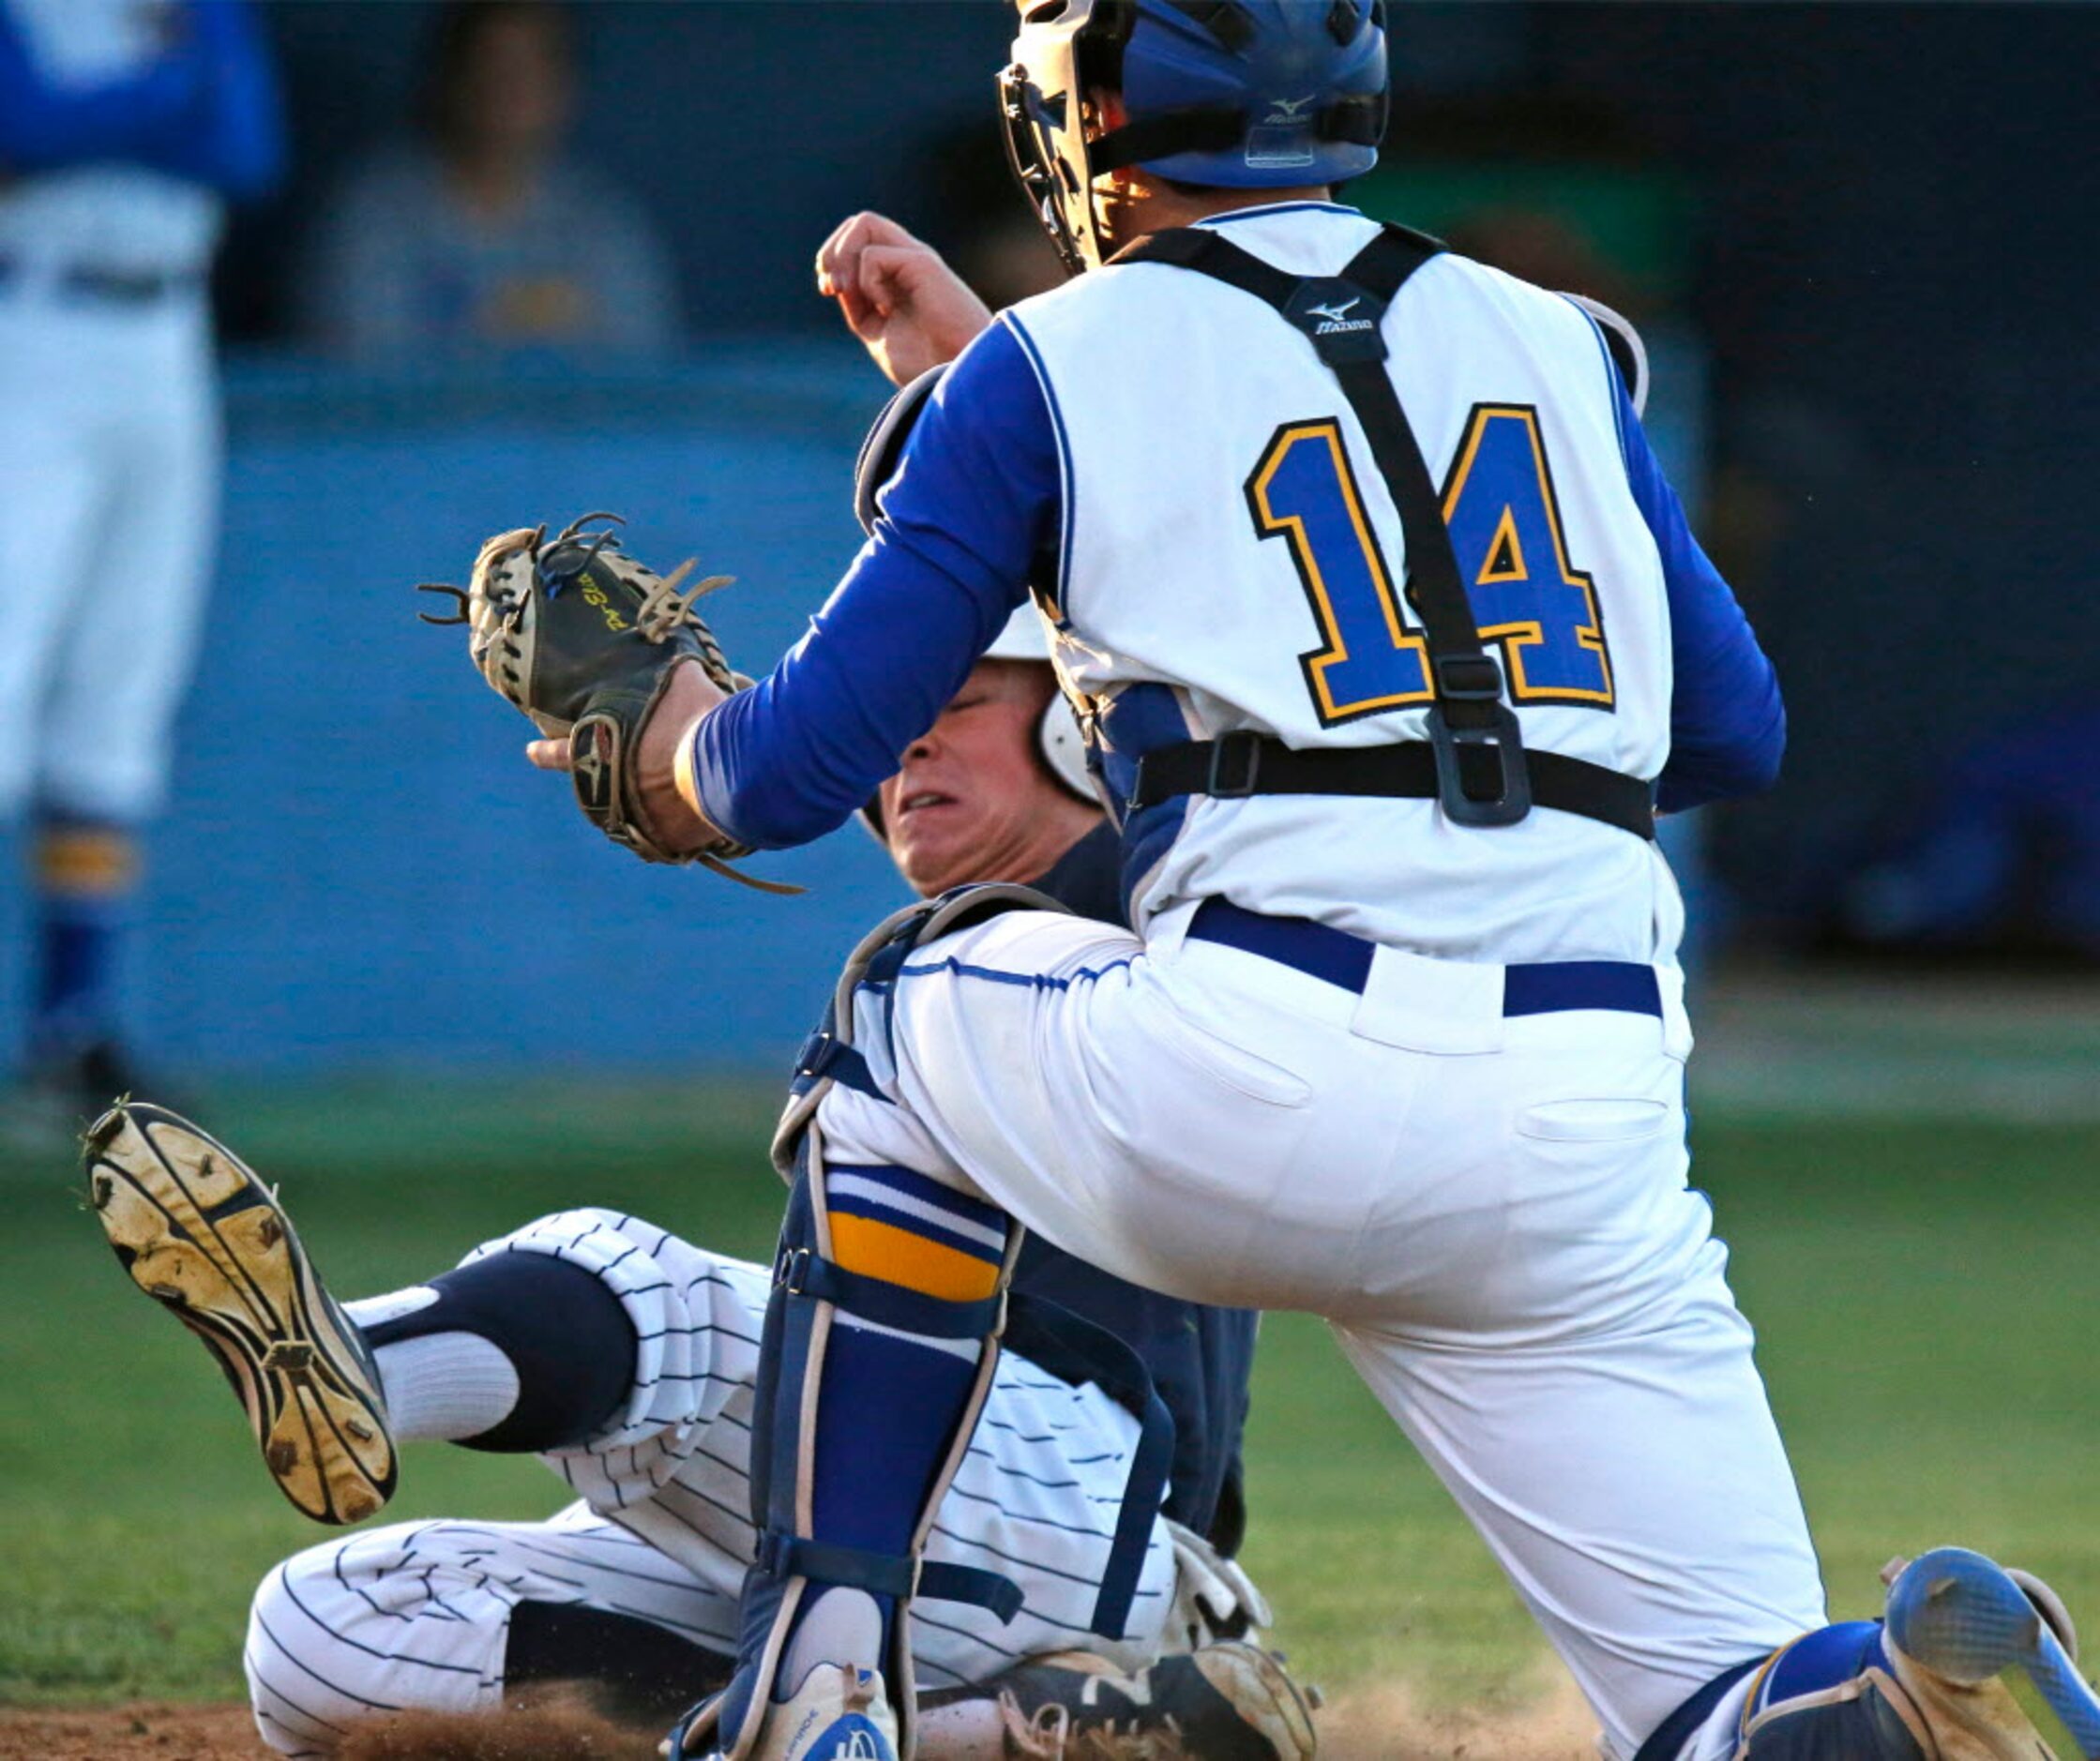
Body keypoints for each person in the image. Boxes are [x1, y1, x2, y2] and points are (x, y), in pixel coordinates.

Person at [496, 7, 2100, 1761]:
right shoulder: (1551, 337)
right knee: (1716, 1708)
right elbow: (1724, 729)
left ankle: (816, 1679)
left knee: (899, 1011)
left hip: (1260, 1073)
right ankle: (1885, 1690)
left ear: (1088, 115)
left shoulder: (1039, 365)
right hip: (1587, 1125)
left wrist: (650, 735)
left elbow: (776, 775)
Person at [87, 608, 1312, 1761]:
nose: (907, 738)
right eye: (887, 721)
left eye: (955, 698)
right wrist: (729, 754)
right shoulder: (945, 967)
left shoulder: (1156, 922)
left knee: (639, 1286)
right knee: (324, 1622)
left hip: (1086, 1514)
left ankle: (362, 1360)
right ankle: (1029, 1732)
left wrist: (735, 752)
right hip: (894, 1533)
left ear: (1078, 718)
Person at [0, 0, 283, 1127]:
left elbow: (248, 151)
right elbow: (21, 125)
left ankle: (71, 1029)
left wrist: (106, 119)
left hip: (165, 339)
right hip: (32, 324)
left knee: (122, 685)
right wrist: (168, 97)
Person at [297, 0, 677, 359]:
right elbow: (351, 379)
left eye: (531, 70)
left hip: (563, 429)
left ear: (565, 89)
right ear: (449, 79)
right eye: (491, 67)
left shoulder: (602, 224)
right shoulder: (376, 215)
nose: (509, 90)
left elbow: (645, 378)